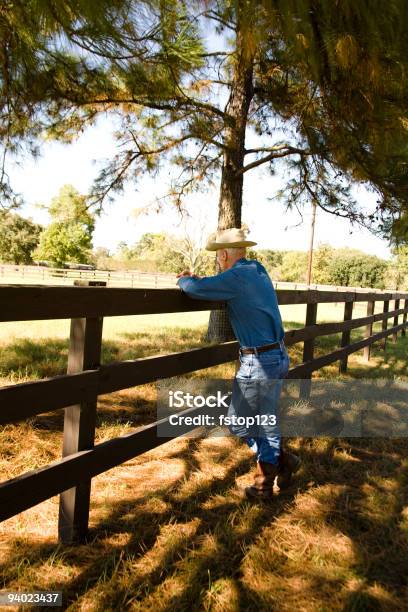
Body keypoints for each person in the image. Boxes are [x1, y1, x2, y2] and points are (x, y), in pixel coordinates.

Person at [176, 226, 301, 500]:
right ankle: (281, 463)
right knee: (256, 420)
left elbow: (195, 288)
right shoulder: (257, 270)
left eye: (218, 256)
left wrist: (184, 280)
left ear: (223, 255)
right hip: (277, 355)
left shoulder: (235, 277)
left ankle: (264, 484)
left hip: (260, 361)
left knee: (243, 422)